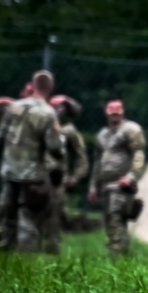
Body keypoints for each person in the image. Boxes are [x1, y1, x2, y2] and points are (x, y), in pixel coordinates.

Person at [0, 70, 64, 252]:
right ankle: (25, 261)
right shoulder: (48, 113)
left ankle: (3, 255)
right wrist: (59, 156)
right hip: (32, 175)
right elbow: (54, 146)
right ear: (50, 88)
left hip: (9, 170)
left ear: (32, 85)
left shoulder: (13, 107)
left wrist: (6, 158)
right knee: (29, 218)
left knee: (8, 215)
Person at [88, 97, 146, 255]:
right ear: (106, 112)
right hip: (106, 185)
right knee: (109, 220)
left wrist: (132, 176)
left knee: (116, 217)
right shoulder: (102, 134)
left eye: (118, 109)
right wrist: (93, 186)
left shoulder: (130, 130)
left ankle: (118, 254)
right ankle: (117, 253)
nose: (114, 112)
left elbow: (138, 155)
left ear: (123, 111)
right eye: (111, 109)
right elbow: (97, 162)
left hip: (122, 185)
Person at [48, 95, 89, 239]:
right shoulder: (40, 123)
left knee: (55, 219)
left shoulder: (69, 130)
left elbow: (81, 157)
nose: (57, 110)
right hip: (34, 176)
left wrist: (75, 177)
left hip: (58, 179)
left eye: (60, 107)